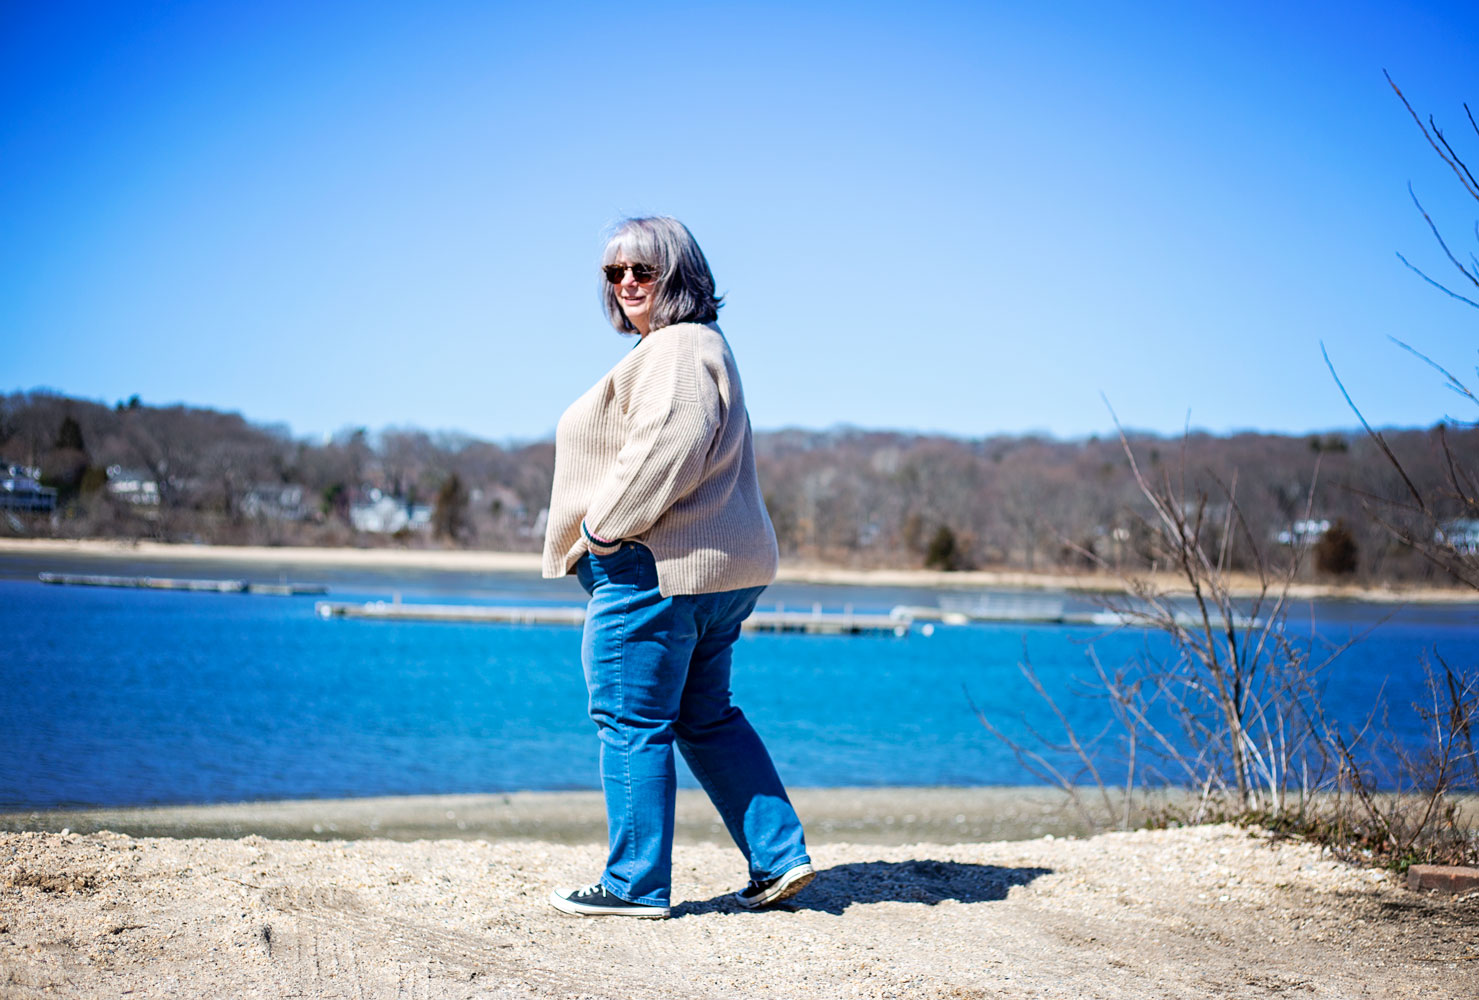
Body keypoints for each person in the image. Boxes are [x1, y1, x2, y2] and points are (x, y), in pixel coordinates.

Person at [541, 216, 813, 918]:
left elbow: (672, 442)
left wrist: (603, 530)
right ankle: (778, 861)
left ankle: (634, 886)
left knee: (631, 719)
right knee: (704, 716)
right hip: (709, 569)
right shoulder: (691, 346)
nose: (627, 283)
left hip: (655, 567)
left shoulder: (677, 348)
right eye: (614, 273)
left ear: (680, 274)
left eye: (643, 270)